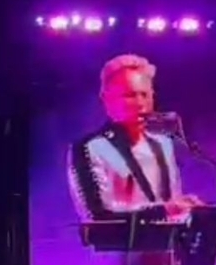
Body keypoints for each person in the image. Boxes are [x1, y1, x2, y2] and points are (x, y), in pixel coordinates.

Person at [67, 54, 202, 223]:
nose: (140, 103)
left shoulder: (164, 144)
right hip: (119, 241)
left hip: (163, 240)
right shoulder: (90, 148)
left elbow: (171, 207)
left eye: (145, 95)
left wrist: (192, 211)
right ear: (107, 100)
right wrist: (164, 210)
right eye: (130, 95)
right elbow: (97, 216)